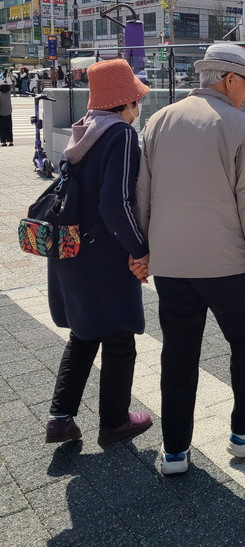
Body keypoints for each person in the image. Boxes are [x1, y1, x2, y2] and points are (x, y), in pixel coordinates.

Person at [136, 42, 245, 476]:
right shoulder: (239, 125)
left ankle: (175, 451)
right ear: (229, 79)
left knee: (178, 353)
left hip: (170, 262)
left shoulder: (159, 119)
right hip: (222, 262)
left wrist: (142, 249)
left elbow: (142, 191)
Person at [45, 59, 153, 446]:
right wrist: (140, 248)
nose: (139, 107)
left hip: (71, 248)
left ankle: (60, 419)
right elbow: (115, 203)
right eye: (136, 100)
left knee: (85, 332)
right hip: (103, 254)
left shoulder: (84, 129)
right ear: (126, 102)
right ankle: (115, 422)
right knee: (120, 335)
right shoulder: (120, 134)